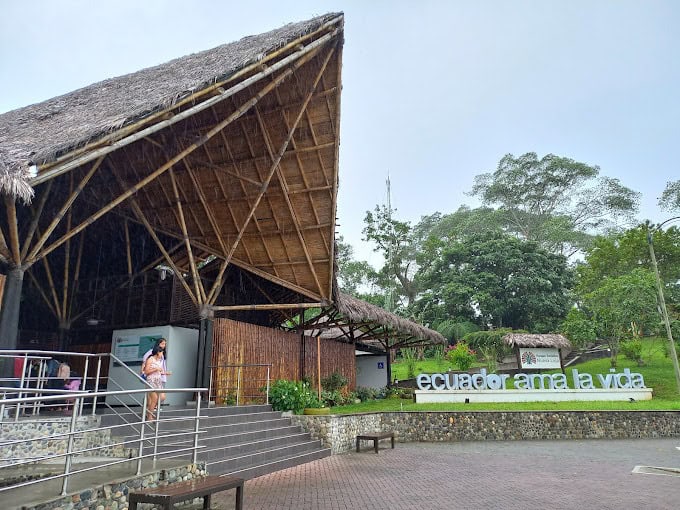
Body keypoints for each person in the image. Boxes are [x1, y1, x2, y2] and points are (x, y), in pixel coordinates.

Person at [141, 338, 170, 404]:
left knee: (158, 396)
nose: (164, 345)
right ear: (158, 344)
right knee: (151, 396)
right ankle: (149, 409)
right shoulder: (151, 352)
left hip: (158, 377)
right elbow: (144, 362)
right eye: (162, 343)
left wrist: (164, 373)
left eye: (165, 344)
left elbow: (160, 366)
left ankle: (150, 408)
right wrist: (143, 371)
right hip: (151, 377)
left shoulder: (162, 353)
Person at [142, 346, 166, 421]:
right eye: (161, 352)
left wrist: (164, 373)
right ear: (158, 352)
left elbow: (159, 371)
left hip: (158, 381)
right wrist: (156, 369)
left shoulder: (159, 360)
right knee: (154, 398)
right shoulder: (150, 359)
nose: (162, 354)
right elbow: (146, 372)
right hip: (151, 380)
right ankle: (149, 416)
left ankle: (149, 410)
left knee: (162, 397)